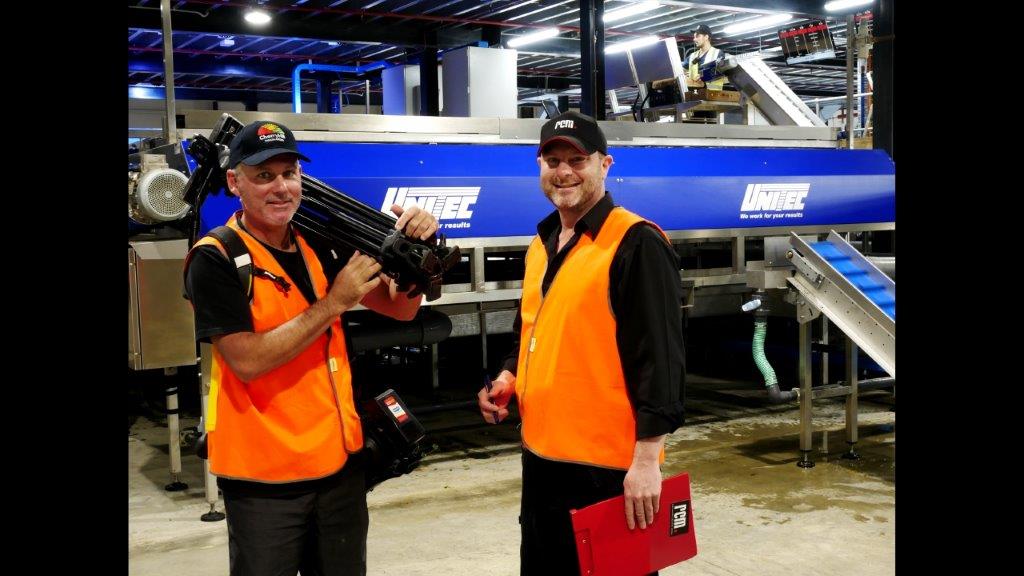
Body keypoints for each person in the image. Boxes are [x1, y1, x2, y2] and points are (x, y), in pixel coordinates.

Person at [183, 120, 438, 576]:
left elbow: (400, 310)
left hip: (337, 466)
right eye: (264, 176)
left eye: (289, 174)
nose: (280, 187)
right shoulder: (215, 257)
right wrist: (334, 303)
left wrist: (417, 256)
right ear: (234, 182)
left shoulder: (317, 244)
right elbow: (246, 360)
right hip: (265, 482)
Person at [477, 111, 686, 575]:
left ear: (604, 164)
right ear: (539, 166)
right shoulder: (542, 243)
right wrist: (510, 376)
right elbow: (532, 330)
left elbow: (662, 359)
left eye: (578, 159)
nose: (564, 171)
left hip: (607, 469)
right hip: (542, 459)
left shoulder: (635, 242)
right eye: (553, 159)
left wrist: (648, 461)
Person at [684, 24, 727, 90]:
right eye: (694, 37)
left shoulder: (717, 53)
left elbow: (721, 72)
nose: (694, 39)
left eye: (697, 36)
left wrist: (703, 76)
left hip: (712, 95)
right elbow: (680, 69)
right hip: (693, 94)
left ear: (706, 37)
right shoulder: (692, 56)